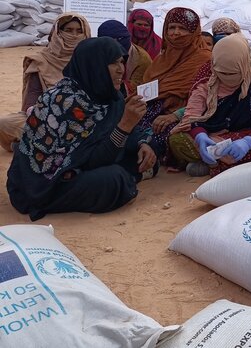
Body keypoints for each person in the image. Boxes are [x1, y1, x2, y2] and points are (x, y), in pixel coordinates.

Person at [6, 37, 157, 221]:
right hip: (49, 182)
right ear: (95, 66)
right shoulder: (64, 102)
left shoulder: (109, 94)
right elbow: (92, 160)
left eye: (121, 62)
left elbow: (117, 128)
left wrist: (142, 143)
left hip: (88, 160)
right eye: (113, 63)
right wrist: (125, 125)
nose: (121, 69)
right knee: (114, 179)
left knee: (144, 152)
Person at [169, 33, 251, 176]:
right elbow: (192, 115)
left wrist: (249, 142)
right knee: (177, 140)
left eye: (234, 73)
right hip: (213, 134)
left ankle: (214, 165)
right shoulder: (207, 74)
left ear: (244, 65)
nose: (227, 78)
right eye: (222, 73)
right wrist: (199, 136)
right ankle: (218, 161)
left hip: (250, 132)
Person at [0, 13, 91, 152]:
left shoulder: (92, 59)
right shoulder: (41, 60)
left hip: (84, 119)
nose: (74, 35)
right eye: (68, 30)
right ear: (57, 32)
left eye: (79, 31)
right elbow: (31, 100)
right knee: (5, 123)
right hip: (45, 118)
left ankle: (35, 148)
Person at [138, 7, 211, 159]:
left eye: (182, 28)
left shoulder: (206, 60)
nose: (175, 33)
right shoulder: (161, 60)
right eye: (171, 27)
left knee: (162, 136)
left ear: (194, 32)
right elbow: (146, 90)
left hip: (186, 115)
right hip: (151, 110)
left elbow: (211, 99)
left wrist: (174, 116)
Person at [97, 19, 152, 94]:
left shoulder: (142, 59)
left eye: (122, 62)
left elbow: (139, 89)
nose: (120, 70)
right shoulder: (95, 54)